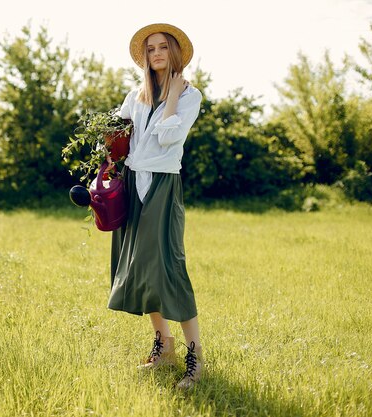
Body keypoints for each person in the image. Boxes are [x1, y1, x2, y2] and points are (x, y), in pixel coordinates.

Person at [108, 23, 203, 390]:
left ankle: (195, 360)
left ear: (174, 52)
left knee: (169, 268)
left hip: (163, 184)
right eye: (150, 49)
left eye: (163, 47)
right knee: (141, 269)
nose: (157, 53)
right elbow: (120, 140)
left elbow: (169, 136)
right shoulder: (136, 95)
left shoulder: (191, 95)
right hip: (133, 183)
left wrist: (174, 96)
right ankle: (165, 348)